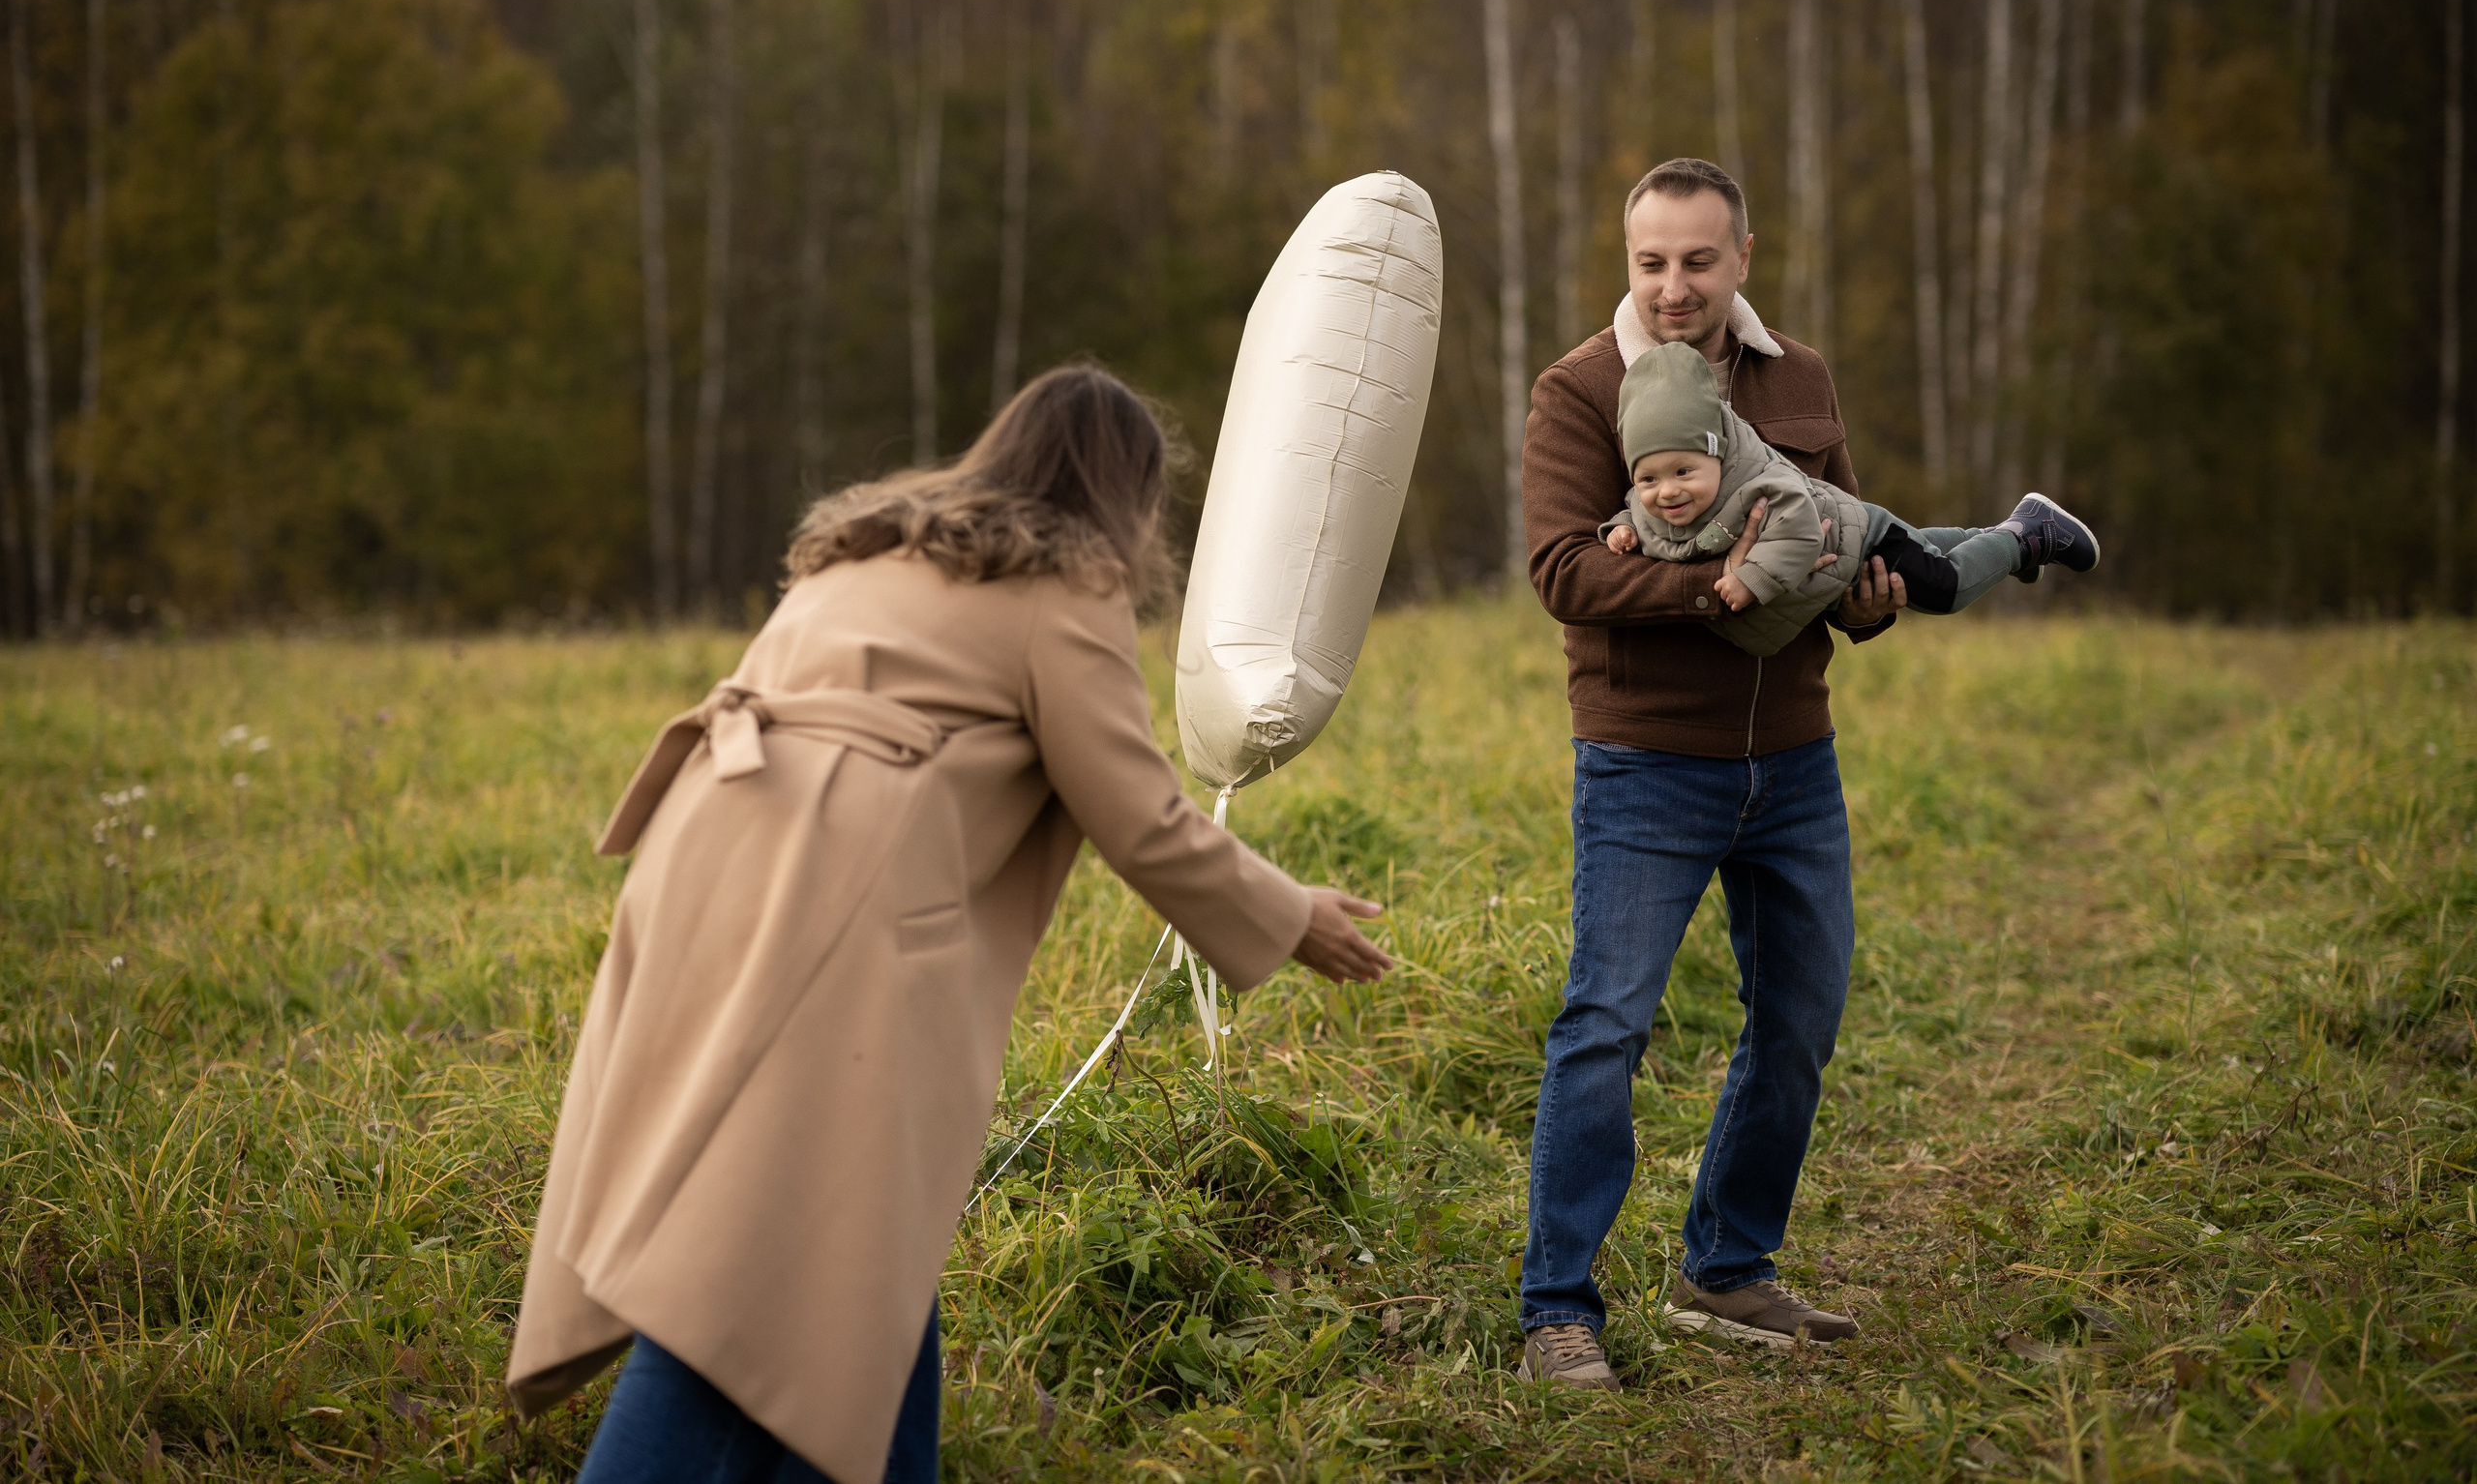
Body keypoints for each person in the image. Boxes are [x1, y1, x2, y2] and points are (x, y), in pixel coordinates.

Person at [504, 365, 1393, 1482]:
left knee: (856, 1229)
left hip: (703, 885)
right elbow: (1143, 817)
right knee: (736, 1272)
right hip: (829, 922)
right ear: (1126, 495)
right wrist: (1290, 915)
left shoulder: (867, 552)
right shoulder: (1061, 594)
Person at [1516, 157, 1905, 1388]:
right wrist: (1723, 586)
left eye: (1696, 260)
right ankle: (1556, 1314)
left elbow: (1837, 534)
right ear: (1626, 262)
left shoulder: (1800, 377)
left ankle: (1726, 1271)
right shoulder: (1580, 390)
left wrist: (1868, 603)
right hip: (1645, 763)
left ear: (1741, 257)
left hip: (1793, 759)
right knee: (1604, 1029)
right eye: (1649, 262)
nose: (1673, 286)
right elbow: (1564, 571)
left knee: (1798, 1021)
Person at [1598, 341, 2099, 657]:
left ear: (1717, 456)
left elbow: (1797, 534)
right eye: (1649, 480)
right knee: (1928, 546)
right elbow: (1638, 516)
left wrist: (1748, 579)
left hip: (1861, 542)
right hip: (1850, 552)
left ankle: (2024, 538)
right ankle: (1989, 538)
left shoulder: (1761, 485)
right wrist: (1620, 528)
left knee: (1944, 587)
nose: (1668, 491)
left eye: (1684, 472)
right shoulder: (1653, 499)